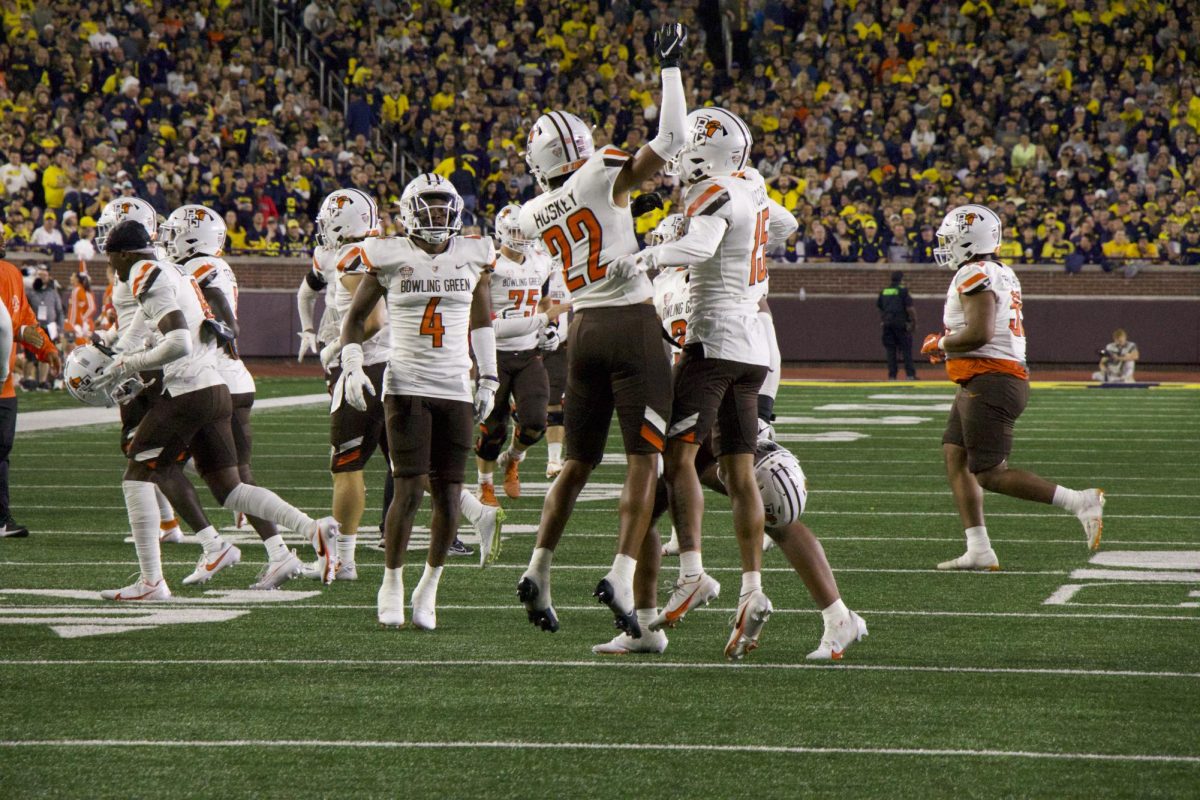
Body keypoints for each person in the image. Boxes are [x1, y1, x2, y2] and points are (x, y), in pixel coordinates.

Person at [514, 23, 689, 638]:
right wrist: (669, 67)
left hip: (582, 329)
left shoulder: (534, 210)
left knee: (577, 462)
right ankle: (619, 569)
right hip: (630, 323)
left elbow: (519, 231)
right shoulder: (599, 172)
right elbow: (673, 138)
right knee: (646, 458)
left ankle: (539, 565)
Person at [612, 106, 798, 659]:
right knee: (738, 469)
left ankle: (691, 569)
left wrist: (645, 258)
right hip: (754, 348)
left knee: (678, 455)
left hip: (713, 338)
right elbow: (785, 225)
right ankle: (752, 587)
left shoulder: (711, 191)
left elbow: (699, 248)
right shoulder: (753, 185)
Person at [92, 220, 339, 600]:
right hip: (216, 389)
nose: (112, 268)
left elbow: (177, 344)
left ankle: (151, 582)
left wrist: (126, 366)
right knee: (230, 487)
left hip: (187, 389)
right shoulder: (169, 269)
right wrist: (112, 357)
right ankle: (311, 528)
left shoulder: (144, 272)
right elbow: (139, 330)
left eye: (111, 258)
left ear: (123, 253)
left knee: (138, 471)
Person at [339, 173, 499, 629]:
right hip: (405, 384)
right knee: (408, 489)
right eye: (426, 205)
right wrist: (352, 363)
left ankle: (428, 590)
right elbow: (354, 320)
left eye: (442, 204)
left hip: (454, 387)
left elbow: (481, 319)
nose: (435, 214)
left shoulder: (473, 253)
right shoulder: (388, 254)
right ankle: (391, 582)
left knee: (448, 495)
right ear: (409, 210)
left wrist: (488, 377)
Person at [920, 204, 1106, 571]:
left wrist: (940, 344)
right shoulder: (1000, 271)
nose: (945, 245)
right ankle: (979, 548)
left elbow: (980, 333)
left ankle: (1079, 501)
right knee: (954, 454)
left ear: (970, 240)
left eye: (952, 238)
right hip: (987, 375)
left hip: (991, 379)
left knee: (989, 472)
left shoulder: (973, 272)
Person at [596, 436, 867, 661]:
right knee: (649, 502)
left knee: (771, 508)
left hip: (728, 399)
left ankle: (838, 617)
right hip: (709, 399)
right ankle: (645, 625)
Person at [160, 203, 318, 588]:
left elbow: (218, 310)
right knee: (233, 479)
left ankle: (227, 544)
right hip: (232, 379)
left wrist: (224, 327)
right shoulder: (213, 264)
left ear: (192, 236)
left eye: (174, 232)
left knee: (165, 464)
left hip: (215, 380)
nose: (168, 239)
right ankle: (282, 550)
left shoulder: (199, 268)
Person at [475, 204, 568, 504]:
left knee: (536, 422)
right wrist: (541, 321)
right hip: (496, 355)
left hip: (529, 354)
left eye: (525, 230)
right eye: (515, 230)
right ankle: (485, 484)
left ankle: (513, 459)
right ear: (501, 231)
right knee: (492, 429)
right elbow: (486, 324)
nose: (521, 236)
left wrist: (550, 327)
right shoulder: (490, 264)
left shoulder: (540, 261)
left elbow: (543, 302)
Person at [0, 229, 60, 538]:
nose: (2, 240)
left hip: (5, 384)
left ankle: (1, 518)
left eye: (2, 233)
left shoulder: (10, 273)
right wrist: (20, 333)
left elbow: (25, 319)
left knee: (1, 450)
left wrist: (47, 349)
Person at [877, 270, 917, 380]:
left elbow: (880, 307)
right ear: (901, 279)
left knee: (890, 350)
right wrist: (913, 323)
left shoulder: (884, 291)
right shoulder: (903, 291)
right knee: (906, 350)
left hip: (887, 324)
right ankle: (910, 375)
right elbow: (910, 308)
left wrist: (884, 319)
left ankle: (892, 376)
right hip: (901, 323)